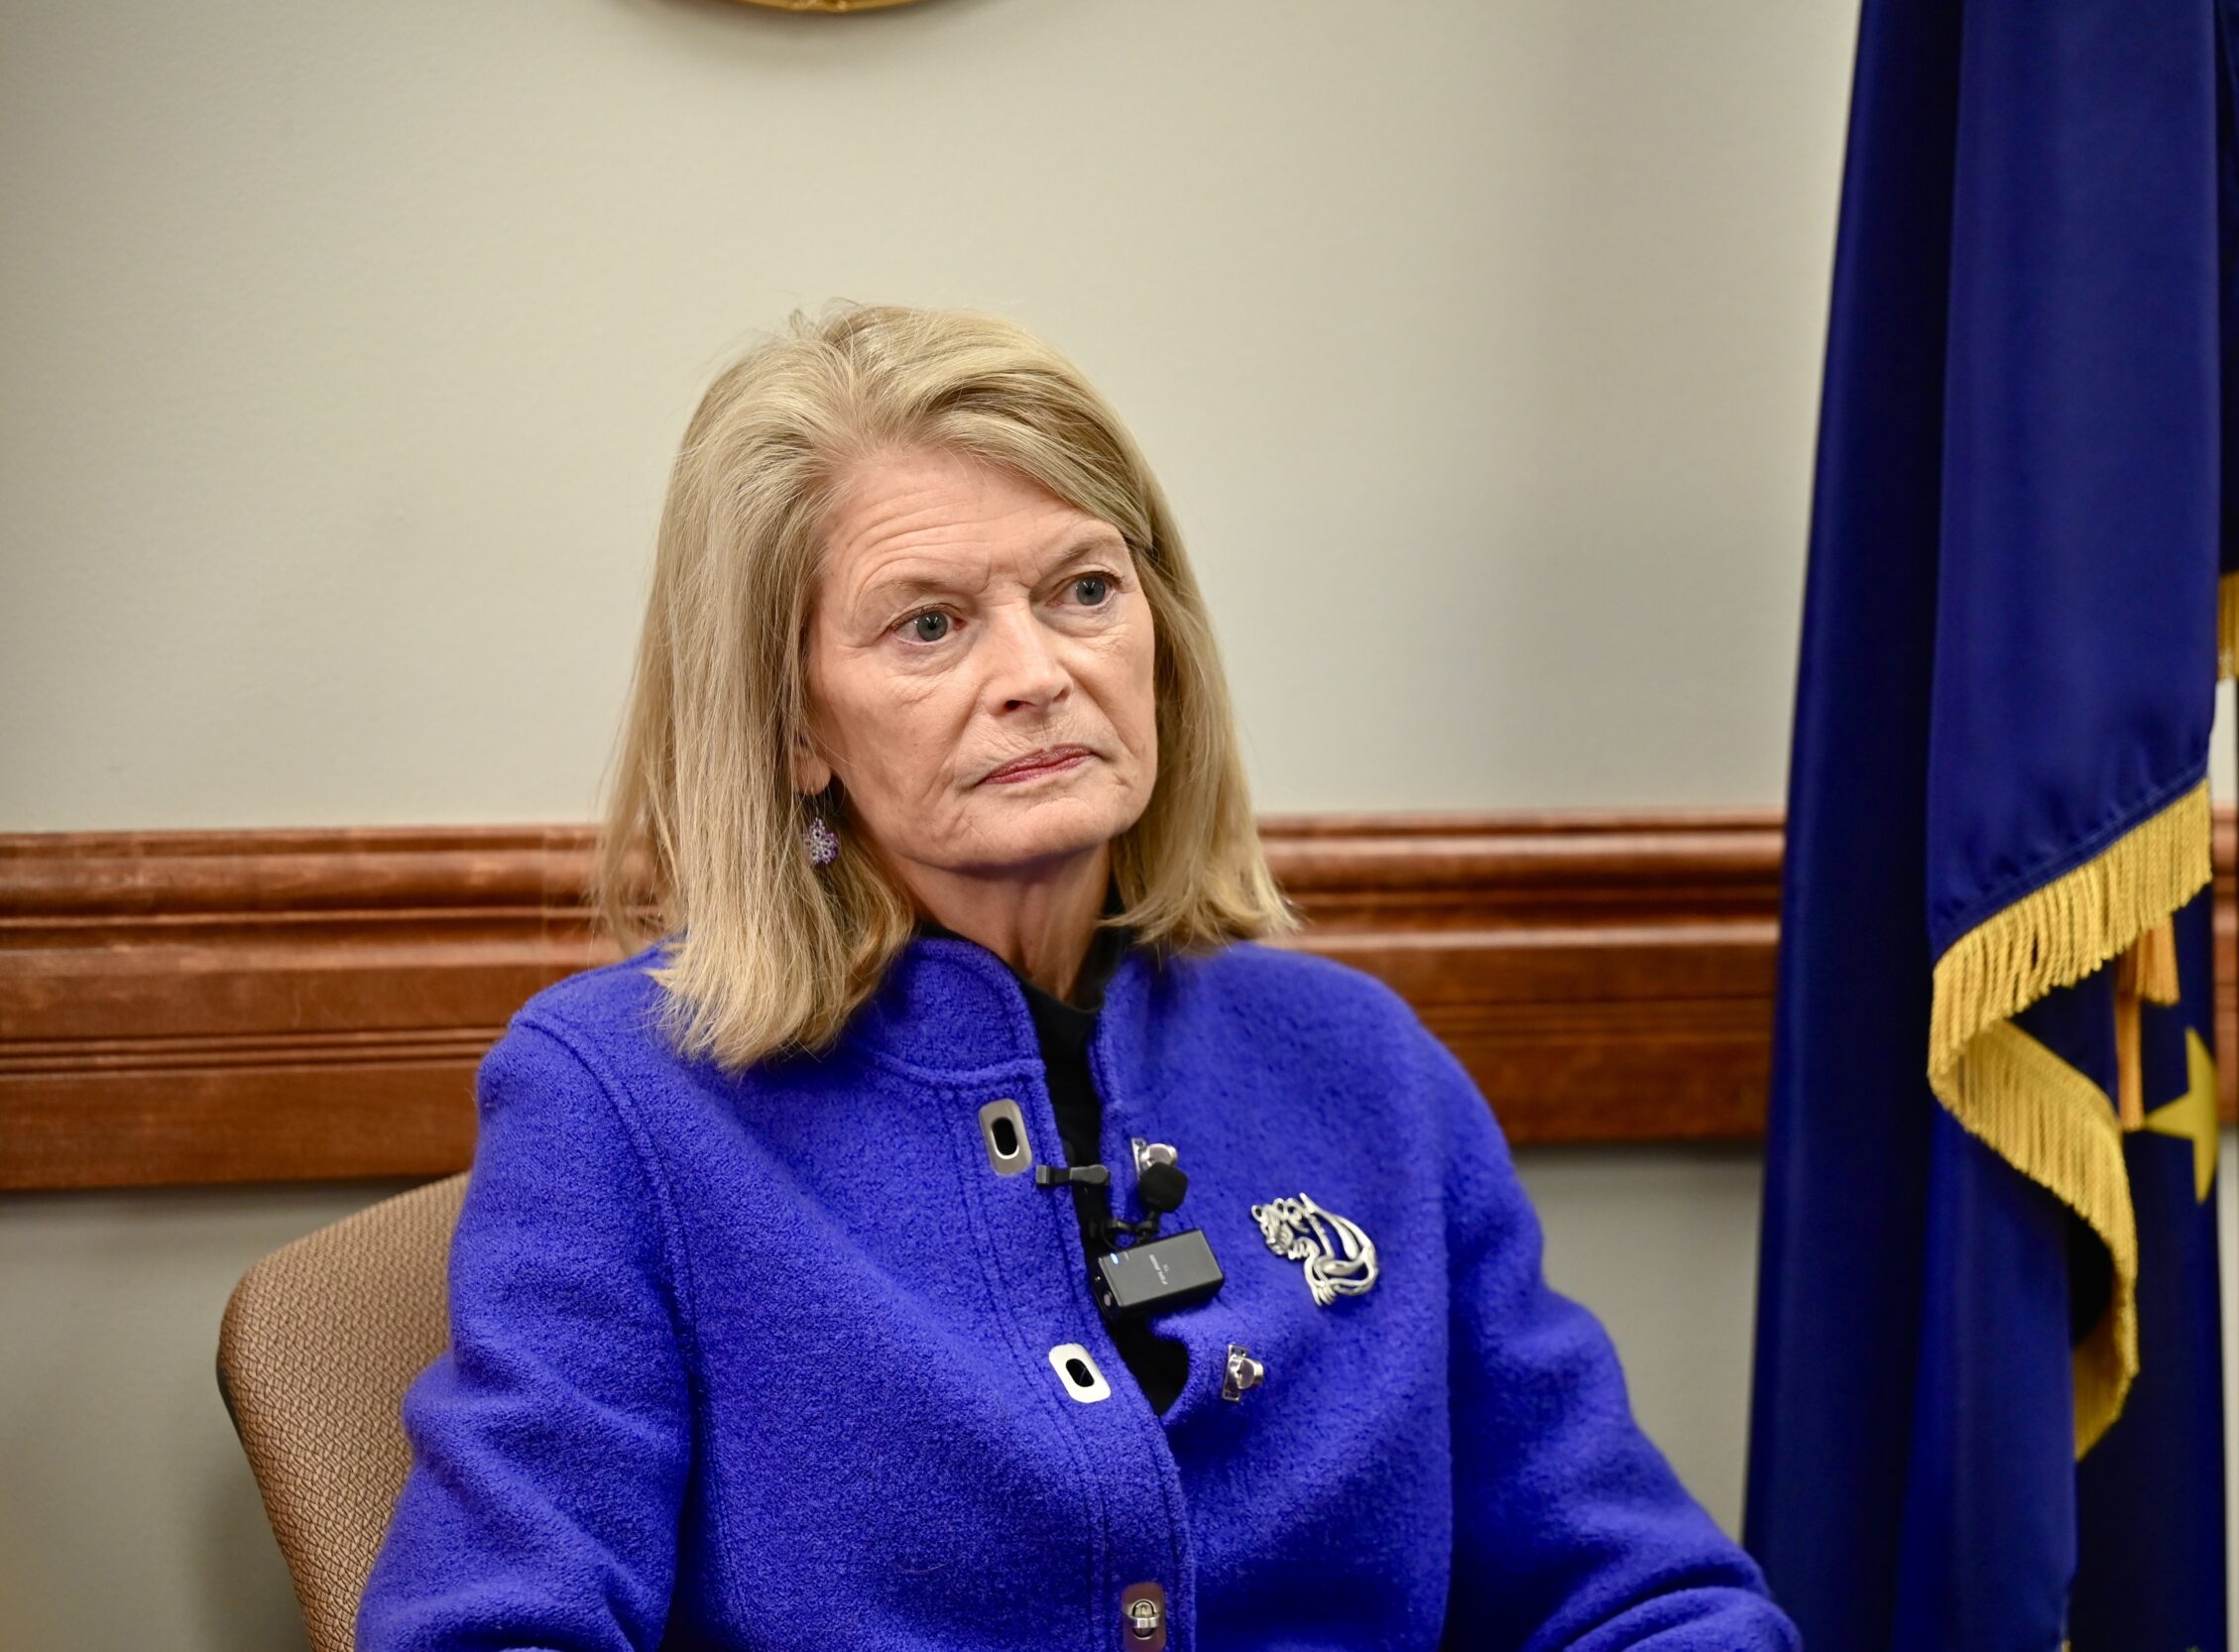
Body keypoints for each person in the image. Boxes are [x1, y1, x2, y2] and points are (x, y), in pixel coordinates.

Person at [357, 302, 1797, 1651]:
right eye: (930, 623)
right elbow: (501, 1622)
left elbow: (1641, 1588)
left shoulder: (1359, 1061)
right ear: (795, 726)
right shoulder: (621, 1098)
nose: (1037, 670)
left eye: (1084, 588)